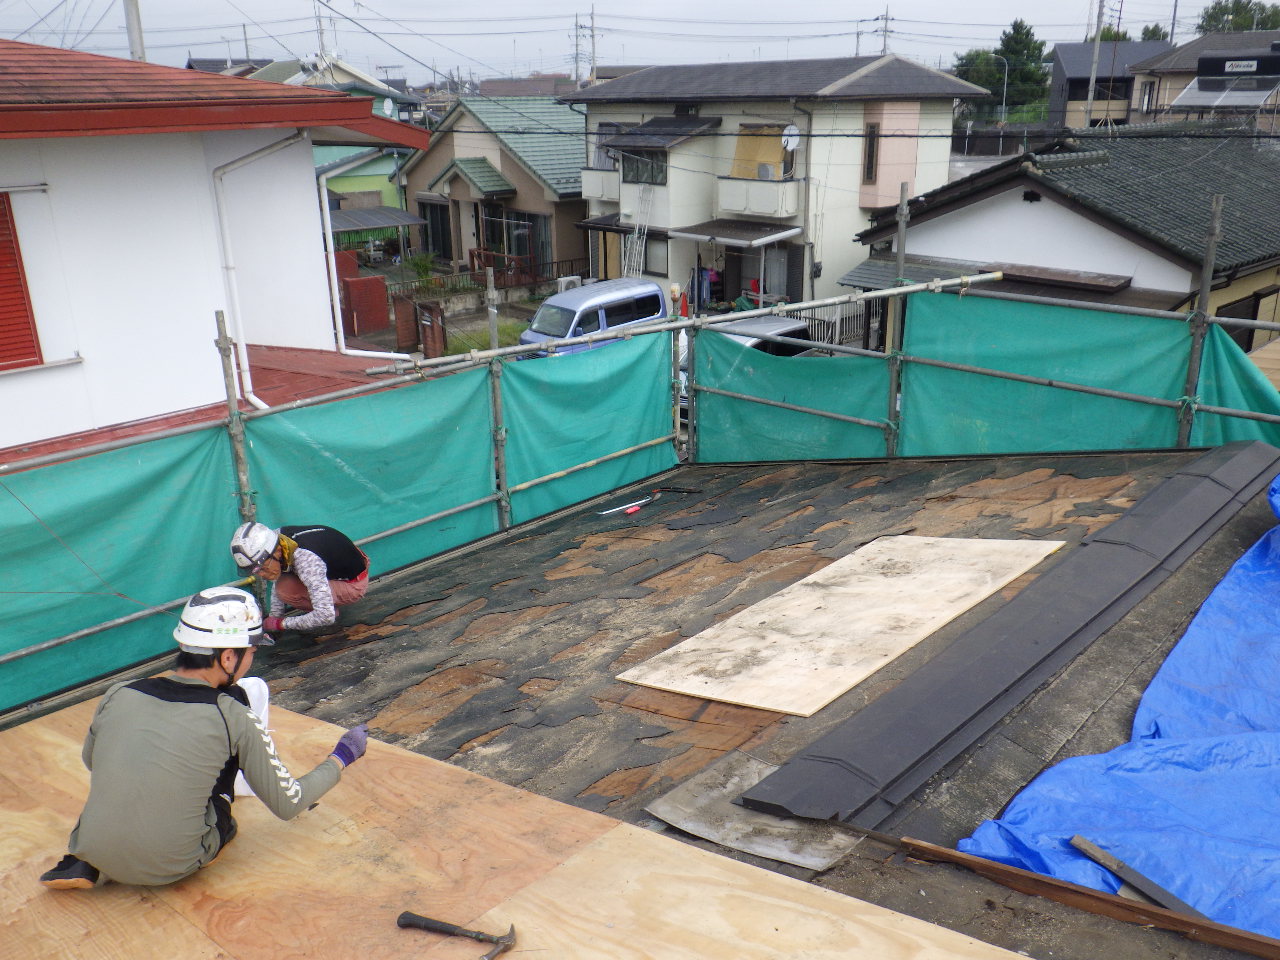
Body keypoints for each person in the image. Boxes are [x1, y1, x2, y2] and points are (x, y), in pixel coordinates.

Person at [39, 586, 369, 890]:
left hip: (92, 846)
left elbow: (91, 761)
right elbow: (289, 802)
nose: (251, 659)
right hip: (169, 865)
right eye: (251, 651)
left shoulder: (119, 692)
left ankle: (82, 859)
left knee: (125, 769)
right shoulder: (231, 714)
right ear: (228, 657)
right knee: (221, 792)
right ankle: (191, 845)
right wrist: (342, 756)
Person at [229, 522, 369, 635]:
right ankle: (325, 600)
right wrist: (274, 617)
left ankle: (332, 607)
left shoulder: (305, 559)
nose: (262, 575)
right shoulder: (277, 540)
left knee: (286, 591)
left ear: (276, 551)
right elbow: (278, 576)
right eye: (255, 571)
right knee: (282, 583)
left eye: (263, 568)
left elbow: (325, 616)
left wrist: (280, 624)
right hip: (339, 564)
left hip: (354, 583)